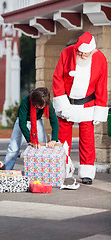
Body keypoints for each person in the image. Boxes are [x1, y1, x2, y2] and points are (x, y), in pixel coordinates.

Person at [53, 31, 108, 185]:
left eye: (86, 53)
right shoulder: (66, 53)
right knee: (62, 140)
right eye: (81, 53)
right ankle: (62, 169)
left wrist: (100, 108)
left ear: (93, 51)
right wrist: (62, 103)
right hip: (67, 103)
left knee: (87, 140)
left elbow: (102, 85)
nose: (83, 56)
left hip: (88, 105)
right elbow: (57, 78)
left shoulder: (101, 59)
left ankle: (87, 173)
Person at [4, 87, 59, 170]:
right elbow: (22, 123)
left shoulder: (47, 103)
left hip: (37, 121)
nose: (41, 107)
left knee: (41, 147)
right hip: (23, 121)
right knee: (13, 148)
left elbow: (54, 121)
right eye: (40, 106)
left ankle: (40, 171)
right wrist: (30, 140)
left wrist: (54, 139)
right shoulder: (26, 101)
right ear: (34, 102)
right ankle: (6, 171)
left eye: (43, 106)